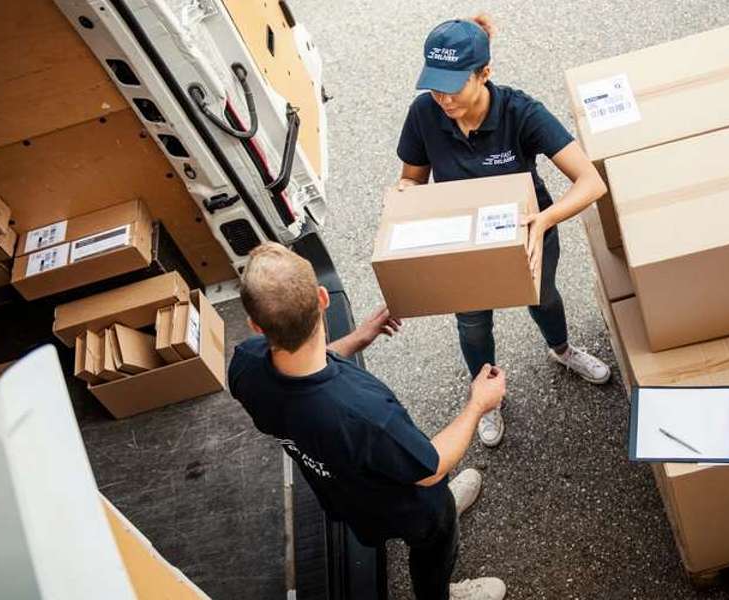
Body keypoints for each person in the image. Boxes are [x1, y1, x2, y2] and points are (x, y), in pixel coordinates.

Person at [229, 242, 507, 600]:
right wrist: (478, 404)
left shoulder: (245, 365)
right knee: (436, 539)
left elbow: (300, 367)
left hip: (345, 494)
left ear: (255, 326)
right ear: (323, 298)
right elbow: (431, 468)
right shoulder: (364, 413)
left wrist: (358, 338)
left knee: (400, 516)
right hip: (410, 502)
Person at [396, 15, 612, 449]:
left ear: (485, 73)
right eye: (434, 86)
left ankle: (562, 349)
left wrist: (544, 221)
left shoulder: (520, 112)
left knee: (543, 298)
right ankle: (487, 398)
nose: (443, 98)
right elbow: (412, 178)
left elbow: (591, 182)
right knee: (473, 324)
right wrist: (405, 196)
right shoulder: (424, 114)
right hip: (464, 245)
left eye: (453, 86)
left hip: (529, 232)